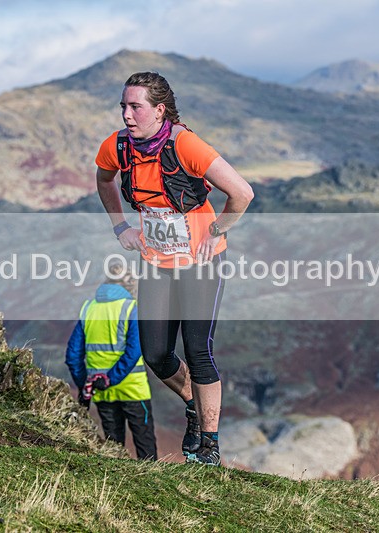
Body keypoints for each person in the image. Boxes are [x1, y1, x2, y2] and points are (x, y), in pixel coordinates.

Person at [94, 71, 254, 465]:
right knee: (155, 353)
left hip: (200, 261)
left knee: (198, 350)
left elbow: (242, 193)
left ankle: (209, 445)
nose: (127, 115)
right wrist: (120, 227)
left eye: (136, 107)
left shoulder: (186, 144)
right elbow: (103, 179)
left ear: (159, 110)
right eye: (124, 107)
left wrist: (217, 230)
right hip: (156, 261)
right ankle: (192, 406)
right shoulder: (118, 146)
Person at [65, 262, 158, 460]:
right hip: (133, 388)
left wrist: (85, 385)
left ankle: (113, 489)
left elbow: (72, 356)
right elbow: (134, 351)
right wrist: (111, 378)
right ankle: (154, 488)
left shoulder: (88, 309)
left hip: (101, 391)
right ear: (130, 285)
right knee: (145, 445)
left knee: (113, 450)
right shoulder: (132, 308)